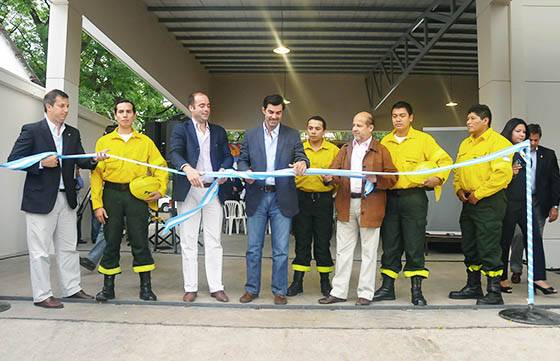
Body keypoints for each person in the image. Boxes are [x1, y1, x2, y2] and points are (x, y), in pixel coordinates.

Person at [7, 89, 107, 308]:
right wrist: (42, 164)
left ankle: (72, 289)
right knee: (40, 251)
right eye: (62, 106)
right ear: (48, 106)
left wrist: (96, 160)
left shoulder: (72, 133)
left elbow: (81, 160)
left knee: (69, 247)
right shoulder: (32, 131)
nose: (66, 110)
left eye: (67, 106)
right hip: (40, 200)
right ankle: (42, 295)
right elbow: (14, 160)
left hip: (67, 199)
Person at [373, 101, 452, 306]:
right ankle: (387, 287)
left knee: (414, 243)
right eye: (394, 116)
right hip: (390, 198)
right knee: (390, 243)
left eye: (402, 115)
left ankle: (416, 290)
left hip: (414, 198)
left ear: (411, 117)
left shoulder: (424, 140)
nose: (398, 119)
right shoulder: (385, 142)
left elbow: (445, 160)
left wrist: (439, 179)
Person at [92, 99, 168, 302]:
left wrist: (161, 189)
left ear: (134, 115)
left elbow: (160, 165)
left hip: (137, 196)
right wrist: (97, 204)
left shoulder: (145, 142)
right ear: (115, 115)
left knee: (140, 240)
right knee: (111, 240)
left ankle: (146, 288)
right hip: (112, 194)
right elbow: (97, 175)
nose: (125, 115)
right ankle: (108, 288)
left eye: (128, 111)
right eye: (120, 111)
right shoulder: (104, 142)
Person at [318, 111, 397, 305]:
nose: (354, 128)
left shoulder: (381, 150)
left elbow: (393, 177)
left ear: (371, 128)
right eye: (353, 124)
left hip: (371, 205)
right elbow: (333, 172)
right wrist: (328, 178)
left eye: (359, 125)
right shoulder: (345, 149)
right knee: (343, 250)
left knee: (369, 251)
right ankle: (338, 292)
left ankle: (365, 293)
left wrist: (376, 179)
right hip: (346, 203)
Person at [237, 94, 309, 305]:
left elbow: (301, 156)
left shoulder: (292, 135)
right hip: (256, 195)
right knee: (253, 248)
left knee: (281, 250)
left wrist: (302, 163)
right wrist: (245, 172)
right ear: (263, 110)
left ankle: (279, 290)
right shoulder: (250, 135)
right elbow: (242, 160)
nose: (274, 117)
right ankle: (251, 289)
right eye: (271, 112)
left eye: (278, 113)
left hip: (282, 198)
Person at [168, 91, 233, 303]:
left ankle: (216, 287)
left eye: (208, 105)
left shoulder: (219, 131)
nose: (206, 109)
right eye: (201, 105)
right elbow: (174, 153)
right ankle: (191, 287)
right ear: (191, 108)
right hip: (188, 190)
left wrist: (224, 169)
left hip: (213, 190)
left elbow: (227, 156)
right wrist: (187, 168)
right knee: (188, 240)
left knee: (214, 240)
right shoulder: (181, 129)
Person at [449, 104, 513, 305]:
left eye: (472, 119)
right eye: (467, 119)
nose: (468, 122)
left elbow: (502, 175)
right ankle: (473, 286)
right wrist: (459, 189)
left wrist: (480, 194)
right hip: (468, 201)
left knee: (489, 245)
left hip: (489, 201)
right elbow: (458, 171)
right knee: (470, 244)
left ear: (485, 121)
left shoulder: (499, 143)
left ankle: (494, 291)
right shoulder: (465, 144)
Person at [287, 115, 339, 297]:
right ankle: (297, 282)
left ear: (324, 131)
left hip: (324, 200)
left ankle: (325, 283)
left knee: (323, 242)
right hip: (301, 199)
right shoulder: (298, 148)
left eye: (318, 128)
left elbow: (339, 177)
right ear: (306, 129)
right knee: (301, 241)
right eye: (310, 128)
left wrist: (330, 180)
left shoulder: (333, 150)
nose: (314, 131)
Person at [509, 124, 560, 288]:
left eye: (535, 140)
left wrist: (555, 206)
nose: (532, 143)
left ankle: (535, 275)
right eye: (529, 139)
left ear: (539, 139)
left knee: (535, 237)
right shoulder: (515, 153)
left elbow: (555, 182)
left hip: (538, 202)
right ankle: (516, 269)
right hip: (519, 200)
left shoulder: (549, 155)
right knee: (517, 236)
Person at [80, 124, 118, 272]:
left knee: (136, 233)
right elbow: (96, 174)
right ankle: (93, 259)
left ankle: (144, 263)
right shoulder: (101, 152)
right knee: (105, 228)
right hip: (105, 196)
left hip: (128, 196)